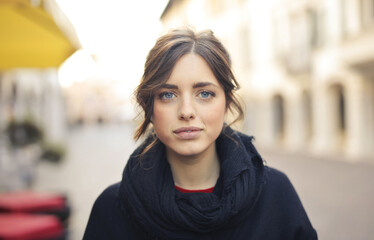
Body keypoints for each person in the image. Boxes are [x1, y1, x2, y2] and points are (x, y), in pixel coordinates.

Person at [83, 28, 317, 240]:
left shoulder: (276, 195)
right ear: (150, 108)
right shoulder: (111, 209)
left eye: (204, 94)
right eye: (168, 95)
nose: (186, 112)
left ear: (226, 102)